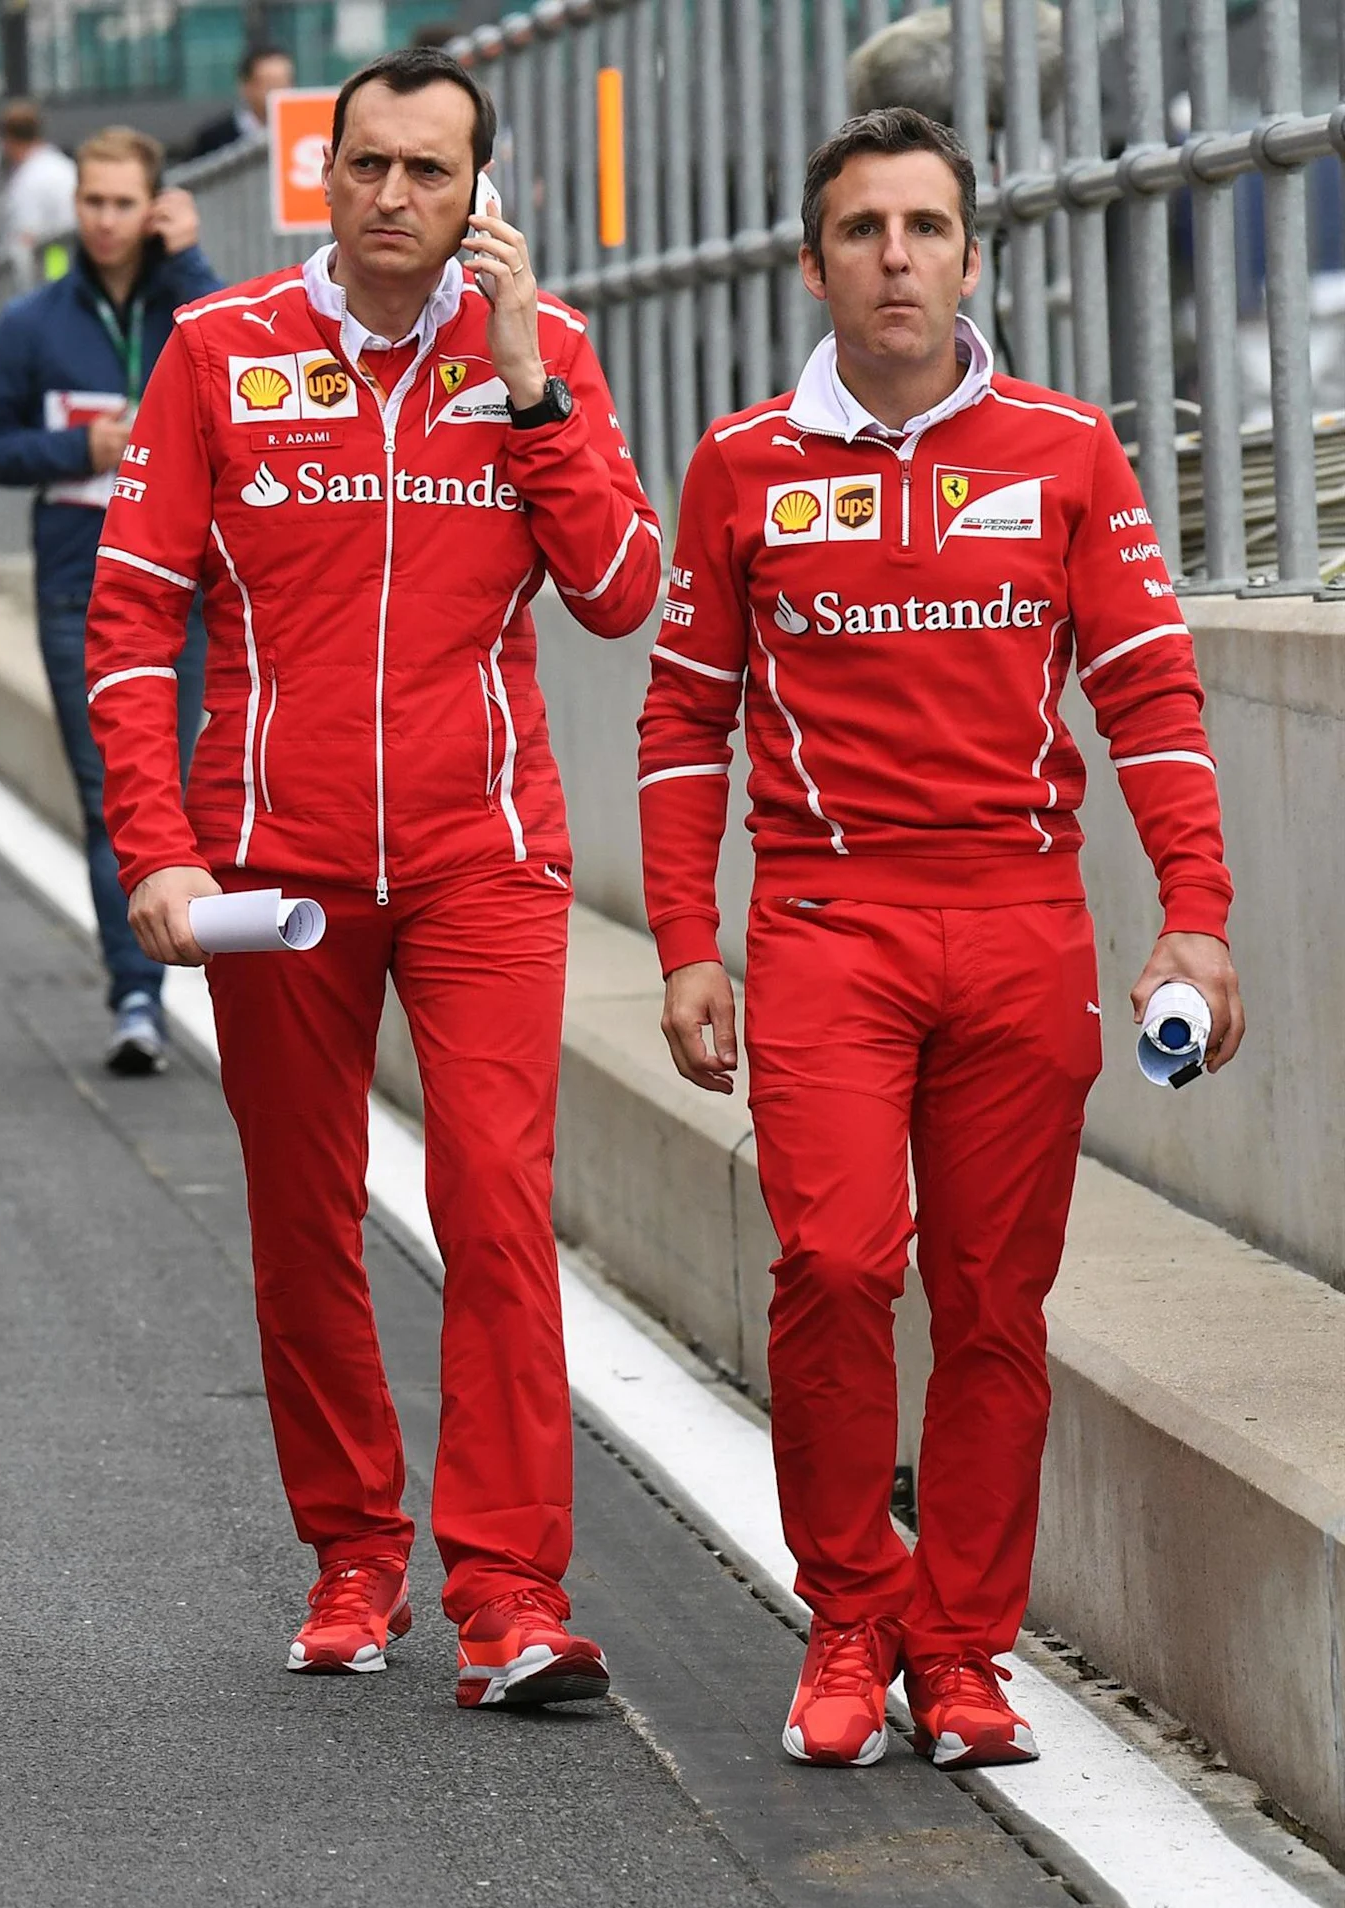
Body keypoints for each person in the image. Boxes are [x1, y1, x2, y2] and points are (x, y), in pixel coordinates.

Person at [642, 108, 1241, 1772]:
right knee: (833, 1263)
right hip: (827, 926)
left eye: (922, 226)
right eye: (860, 229)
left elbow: (1148, 696)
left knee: (991, 1298)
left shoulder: (1064, 450)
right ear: (813, 260)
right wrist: (687, 937)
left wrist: (1193, 916)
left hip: (1018, 930)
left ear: (970, 258)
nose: (893, 255)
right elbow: (683, 721)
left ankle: (963, 1649)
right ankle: (848, 1615)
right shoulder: (740, 459)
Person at [86, 48, 663, 1707]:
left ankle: (508, 1590)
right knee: (301, 1210)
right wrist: (157, 843)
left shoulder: (542, 356)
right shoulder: (218, 352)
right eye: (367, 168)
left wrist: (529, 390)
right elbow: (129, 619)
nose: (393, 197)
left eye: (428, 172)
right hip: (276, 863)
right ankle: (352, 1543)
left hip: (485, 858)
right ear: (318, 178)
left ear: (477, 195)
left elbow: (621, 592)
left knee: (495, 1203)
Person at [0, 127, 216, 1074]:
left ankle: (216, 971)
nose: (104, 220)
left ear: (152, 206)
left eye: (122, 203)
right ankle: (138, 996)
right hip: (81, 584)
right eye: (91, 202)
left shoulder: (188, 303)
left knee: (197, 793)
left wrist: (187, 257)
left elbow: (241, 371)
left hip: (194, 586)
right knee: (116, 795)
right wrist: (81, 450)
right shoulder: (32, 323)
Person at [0, 99, 80, 270]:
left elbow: (26, 238)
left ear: (8, 139)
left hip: (51, 270)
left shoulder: (28, 181)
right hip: (72, 264)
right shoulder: (64, 166)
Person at [187, 46, 295, 162]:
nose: (279, 92)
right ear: (245, 86)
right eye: (270, 84)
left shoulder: (302, 135)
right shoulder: (213, 139)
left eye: (285, 84)